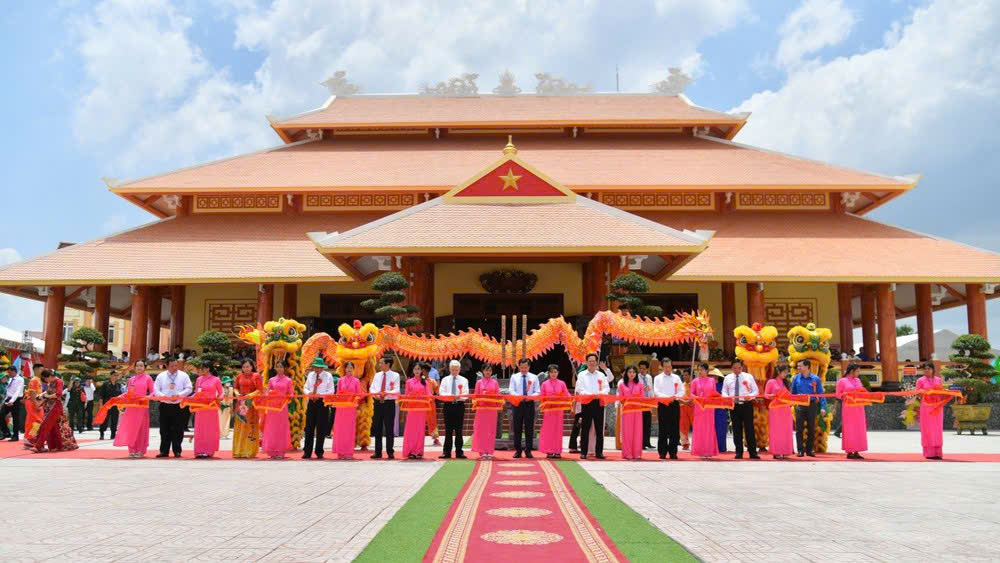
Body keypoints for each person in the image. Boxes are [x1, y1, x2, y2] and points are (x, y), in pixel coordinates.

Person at [30, 370, 79, 453]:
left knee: (45, 425)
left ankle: (38, 446)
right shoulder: (51, 383)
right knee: (55, 427)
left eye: (46, 378)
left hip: (55, 406)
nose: (46, 380)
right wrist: (41, 396)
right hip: (49, 406)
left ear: (50, 376)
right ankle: (57, 446)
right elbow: (47, 392)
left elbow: (58, 394)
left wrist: (47, 396)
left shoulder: (59, 381)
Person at [114, 361, 155, 458]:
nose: (139, 367)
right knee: (131, 428)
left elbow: (153, 392)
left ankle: (140, 450)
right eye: (137, 366)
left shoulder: (148, 378)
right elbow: (129, 393)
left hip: (142, 406)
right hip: (131, 406)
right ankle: (132, 449)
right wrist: (120, 396)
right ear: (134, 368)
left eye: (141, 366)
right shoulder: (132, 379)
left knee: (141, 429)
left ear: (144, 367)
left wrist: (147, 397)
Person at [153, 359, 193, 458]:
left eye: (176, 365)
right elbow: (156, 389)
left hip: (179, 405)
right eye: (172, 366)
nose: (175, 368)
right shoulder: (161, 376)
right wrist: (164, 396)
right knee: (164, 429)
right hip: (165, 405)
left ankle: (177, 451)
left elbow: (189, 388)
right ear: (166, 366)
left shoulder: (183, 375)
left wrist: (179, 395)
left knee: (178, 429)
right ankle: (164, 451)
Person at [722, 359, 759, 459]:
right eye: (734, 368)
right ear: (731, 368)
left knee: (749, 429)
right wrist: (728, 397)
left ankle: (753, 452)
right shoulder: (728, 378)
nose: (737, 370)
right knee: (736, 429)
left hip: (747, 405)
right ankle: (739, 452)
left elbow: (756, 391)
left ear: (742, 367)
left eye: (739, 368)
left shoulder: (748, 377)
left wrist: (750, 396)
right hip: (734, 406)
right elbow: (724, 391)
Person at [575, 353, 609, 459]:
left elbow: (606, 388)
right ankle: (583, 452)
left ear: (596, 362)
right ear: (586, 362)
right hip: (587, 403)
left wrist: (600, 394)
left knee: (599, 428)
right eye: (590, 361)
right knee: (585, 428)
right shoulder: (581, 375)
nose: (592, 363)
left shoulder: (601, 375)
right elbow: (580, 388)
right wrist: (590, 395)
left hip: (598, 402)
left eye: (594, 361)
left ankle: (599, 452)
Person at [790, 359, 826, 457]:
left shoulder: (816, 379)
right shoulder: (796, 378)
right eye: (798, 366)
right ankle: (800, 450)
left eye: (800, 366)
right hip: (800, 406)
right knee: (799, 429)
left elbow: (821, 393)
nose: (798, 368)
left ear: (807, 367)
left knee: (811, 428)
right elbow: (793, 393)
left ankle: (809, 450)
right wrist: (791, 404)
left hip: (812, 405)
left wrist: (823, 407)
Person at [302, 357, 335, 459]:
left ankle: (319, 451)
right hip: (311, 402)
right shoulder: (310, 375)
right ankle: (307, 451)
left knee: (321, 428)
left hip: (322, 402)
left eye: (319, 367)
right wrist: (309, 393)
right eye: (315, 367)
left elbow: (331, 390)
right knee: (309, 427)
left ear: (322, 368)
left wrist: (321, 394)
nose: (316, 369)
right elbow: (305, 387)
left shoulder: (328, 375)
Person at [509, 358, 540, 458]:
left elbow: (537, 391)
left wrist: (530, 397)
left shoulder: (534, 377)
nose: (523, 369)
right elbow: (511, 390)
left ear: (529, 367)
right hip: (517, 404)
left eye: (525, 367)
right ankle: (518, 450)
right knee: (517, 427)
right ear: (519, 366)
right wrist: (518, 396)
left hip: (529, 404)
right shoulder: (514, 377)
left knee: (529, 428)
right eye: (522, 367)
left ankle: (528, 450)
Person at [370, 357, 400, 459]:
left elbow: (396, 390)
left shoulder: (395, 375)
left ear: (388, 364)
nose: (379, 365)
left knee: (389, 428)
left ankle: (390, 451)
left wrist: (386, 393)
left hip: (389, 403)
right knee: (377, 428)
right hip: (378, 403)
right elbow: (372, 388)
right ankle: (377, 452)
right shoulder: (377, 375)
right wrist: (376, 395)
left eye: (381, 363)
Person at [653, 358, 684, 460]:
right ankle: (662, 452)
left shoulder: (676, 377)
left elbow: (681, 390)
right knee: (663, 429)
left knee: (674, 429)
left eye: (669, 366)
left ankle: (673, 452)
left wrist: (675, 397)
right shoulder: (657, 378)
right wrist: (666, 398)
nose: (668, 369)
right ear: (662, 367)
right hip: (663, 404)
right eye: (665, 367)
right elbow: (656, 391)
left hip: (674, 404)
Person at [261, 361, 293, 459]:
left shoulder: (288, 380)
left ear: (285, 368)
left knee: (281, 429)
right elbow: (267, 392)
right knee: (272, 428)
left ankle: (280, 450)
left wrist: (285, 398)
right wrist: (269, 392)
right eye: (277, 367)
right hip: (272, 408)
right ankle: (271, 450)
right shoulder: (271, 380)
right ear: (275, 368)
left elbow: (291, 394)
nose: (279, 369)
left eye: (281, 367)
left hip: (282, 408)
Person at [836, 363, 868, 459]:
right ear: (851, 371)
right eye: (857, 371)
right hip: (848, 409)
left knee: (859, 429)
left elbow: (861, 391)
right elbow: (838, 394)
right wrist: (845, 394)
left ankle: (857, 451)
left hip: (859, 408)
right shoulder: (842, 381)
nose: (858, 373)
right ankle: (849, 451)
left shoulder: (858, 380)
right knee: (849, 429)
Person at [192, 361, 224, 458]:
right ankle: (199, 450)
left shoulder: (216, 380)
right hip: (200, 408)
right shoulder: (199, 379)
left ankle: (209, 450)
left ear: (208, 369)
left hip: (211, 408)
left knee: (209, 429)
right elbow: (196, 392)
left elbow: (221, 392)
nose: (201, 370)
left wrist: (220, 398)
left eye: (203, 368)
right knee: (200, 429)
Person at [438, 360, 468, 459]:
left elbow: (466, 394)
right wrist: (451, 396)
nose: (454, 371)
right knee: (448, 430)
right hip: (448, 405)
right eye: (452, 369)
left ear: (459, 369)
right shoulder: (445, 380)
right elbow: (441, 393)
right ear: (449, 369)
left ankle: (459, 452)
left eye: (456, 369)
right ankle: (446, 452)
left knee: (459, 430)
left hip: (459, 405)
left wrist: (458, 396)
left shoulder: (464, 380)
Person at [232, 360, 263, 459]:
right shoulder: (239, 376)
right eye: (244, 366)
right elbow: (235, 388)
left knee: (250, 426)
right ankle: (239, 450)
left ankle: (249, 450)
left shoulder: (256, 376)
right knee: (240, 427)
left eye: (248, 366)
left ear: (252, 367)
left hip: (251, 405)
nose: (246, 368)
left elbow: (259, 390)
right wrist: (237, 394)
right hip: (240, 404)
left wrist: (249, 396)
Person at [333, 360, 363, 459]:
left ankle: (348, 452)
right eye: (347, 367)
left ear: (353, 369)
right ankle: (340, 452)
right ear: (344, 369)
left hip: (351, 409)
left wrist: (354, 399)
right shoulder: (340, 380)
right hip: (341, 408)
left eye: (351, 367)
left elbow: (359, 395)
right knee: (340, 430)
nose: (349, 369)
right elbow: (337, 394)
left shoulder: (356, 381)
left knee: (349, 430)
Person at [539, 364, 570, 459]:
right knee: (548, 431)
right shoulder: (544, 384)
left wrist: (571, 398)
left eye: (555, 372)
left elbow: (567, 395)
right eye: (551, 372)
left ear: (558, 373)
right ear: (548, 373)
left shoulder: (562, 383)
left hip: (558, 411)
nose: (553, 374)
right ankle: (549, 450)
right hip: (548, 411)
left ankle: (557, 451)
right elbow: (541, 396)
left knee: (558, 431)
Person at [915, 361, 945, 459]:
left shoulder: (938, 380)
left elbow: (941, 392)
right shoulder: (920, 380)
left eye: (929, 368)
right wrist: (926, 393)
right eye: (925, 369)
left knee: (937, 429)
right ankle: (929, 453)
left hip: (937, 407)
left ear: (933, 370)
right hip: (926, 407)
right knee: (928, 429)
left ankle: (938, 452)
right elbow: (918, 393)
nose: (927, 370)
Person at [765, 363, 795, 459]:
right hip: (775, 410)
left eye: (787, 372)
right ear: (778, 371)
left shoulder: (786, 382)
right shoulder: (771, 382)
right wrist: (772, 396)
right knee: (776, 431)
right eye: (785, 372)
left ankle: (786, 451)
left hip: (786, 410)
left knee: (786, 430)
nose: (786, 374)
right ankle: (776, 451)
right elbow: (766, 395)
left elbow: (790, 395)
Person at [471, 364, 500, 460]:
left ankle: (490, 451)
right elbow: (475, 395)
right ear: (483, 371)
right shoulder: (479, 382)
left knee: (491, 430)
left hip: (492, 410)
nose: (488, 372)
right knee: (481, 430)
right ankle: (482, 451)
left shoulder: (495, 383)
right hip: (481, 410)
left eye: (490, 370)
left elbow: (498, 395)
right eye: (486, 370)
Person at [690, 363, 719, 459]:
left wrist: (714, 397)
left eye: (702, 370)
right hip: (699, 408)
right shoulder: (695, 381)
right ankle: (699, 451)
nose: (700, 371)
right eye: (699, 370)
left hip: (709, 408)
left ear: (707, 371)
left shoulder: (712, 380)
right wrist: (697, 397)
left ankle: (709, 450)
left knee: (709, 429)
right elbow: (691, 394)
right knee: (699, 429)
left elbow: (714, 393)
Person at [403, 362, 430, 459]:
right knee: (411, 430)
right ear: (413, 370)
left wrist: (422, 396)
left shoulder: (425, 382)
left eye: (418, 369)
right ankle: (410, 451)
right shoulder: (408, 382)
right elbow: (406, 395)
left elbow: (429, 395)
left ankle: (418, 451)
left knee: (420, 430)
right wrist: (411, 395)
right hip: (412, 409)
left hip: (421, 409)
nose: (417, 371)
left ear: (421, 370)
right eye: (415, 369)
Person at [618, 365, 645, 460]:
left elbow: (642, 398)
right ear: (626, 373)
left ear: (636, 373)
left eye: (633, 372)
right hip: (627, 411)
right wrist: (628, 401)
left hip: (637, 411)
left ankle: (637, 453)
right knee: (627, 432)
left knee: (637, 432)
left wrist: (636, 400)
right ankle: (627, 453)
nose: (632, 374)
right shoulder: (622, 385)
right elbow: (621, 399)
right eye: (629, 372)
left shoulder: (640, 384)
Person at [1, 364, 25, 441]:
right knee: (1, 415)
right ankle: (6, 432)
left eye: (10, 372)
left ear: (14, 371)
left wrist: (12, 401)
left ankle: (15, 435)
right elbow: (8, 390)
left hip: (16, 399)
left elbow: (17, 391)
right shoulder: (11, 379)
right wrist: (6, 400)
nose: (9, 374)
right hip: (8, 398)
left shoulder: (20, 379)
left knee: (15, 418)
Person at [99, 370, 124, 440]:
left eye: (117, 375)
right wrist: (101, 405)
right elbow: (101, 396)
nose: (116, 377)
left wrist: (121, 406)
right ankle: (102, 433)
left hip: (115, 405)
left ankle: (113, 434)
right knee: (105, 420)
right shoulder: (105, 384)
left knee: (114, 420)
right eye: (114, 375)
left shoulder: (118, 385)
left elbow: (120, 396)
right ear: (110, 376)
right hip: (106, 405)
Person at [23, 364, 44, 444]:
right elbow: (32, 393)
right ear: (36, 370)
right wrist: (36, 404)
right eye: (41, 369)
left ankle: (30, 438)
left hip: (35, 401)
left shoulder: (37, 379)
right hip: (33, 402)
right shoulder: (34, 380)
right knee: (35, 421)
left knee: (34, 420)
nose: (42, 371)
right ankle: (30, 438)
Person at [637, 360, 654, 449]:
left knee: (648, 423)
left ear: (647, 369)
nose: (642, 370)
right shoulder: (636, 377)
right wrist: (642, 389)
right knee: (641, 423)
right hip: (640, 402)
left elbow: (651, 388)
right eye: (640, 368)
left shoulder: (649, 377)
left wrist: (652, 398)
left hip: (648, 401)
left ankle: (647, 442)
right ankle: (641, 443)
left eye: (644, 369)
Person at [712, 369, 729, 453]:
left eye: (714, 375)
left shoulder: (722, 385)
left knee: (721, 429)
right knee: (711, 429)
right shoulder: (709, 385)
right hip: (711, 409)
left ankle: (721, 447)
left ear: (718, 376)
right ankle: (711, 447)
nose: (713, 377)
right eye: (711, 375)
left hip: (721, 409)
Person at [679, 369, 693, 450]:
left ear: (690, 375)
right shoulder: (681, 385)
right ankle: (685, 443)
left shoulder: (694, 384)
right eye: (683, 375)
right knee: (683, 425)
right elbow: (678, 396)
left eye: (686, 375)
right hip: (683, 406)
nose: (684, 377)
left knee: (695, 424)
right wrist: (684, 402)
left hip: (692, 406)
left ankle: (697, 442)